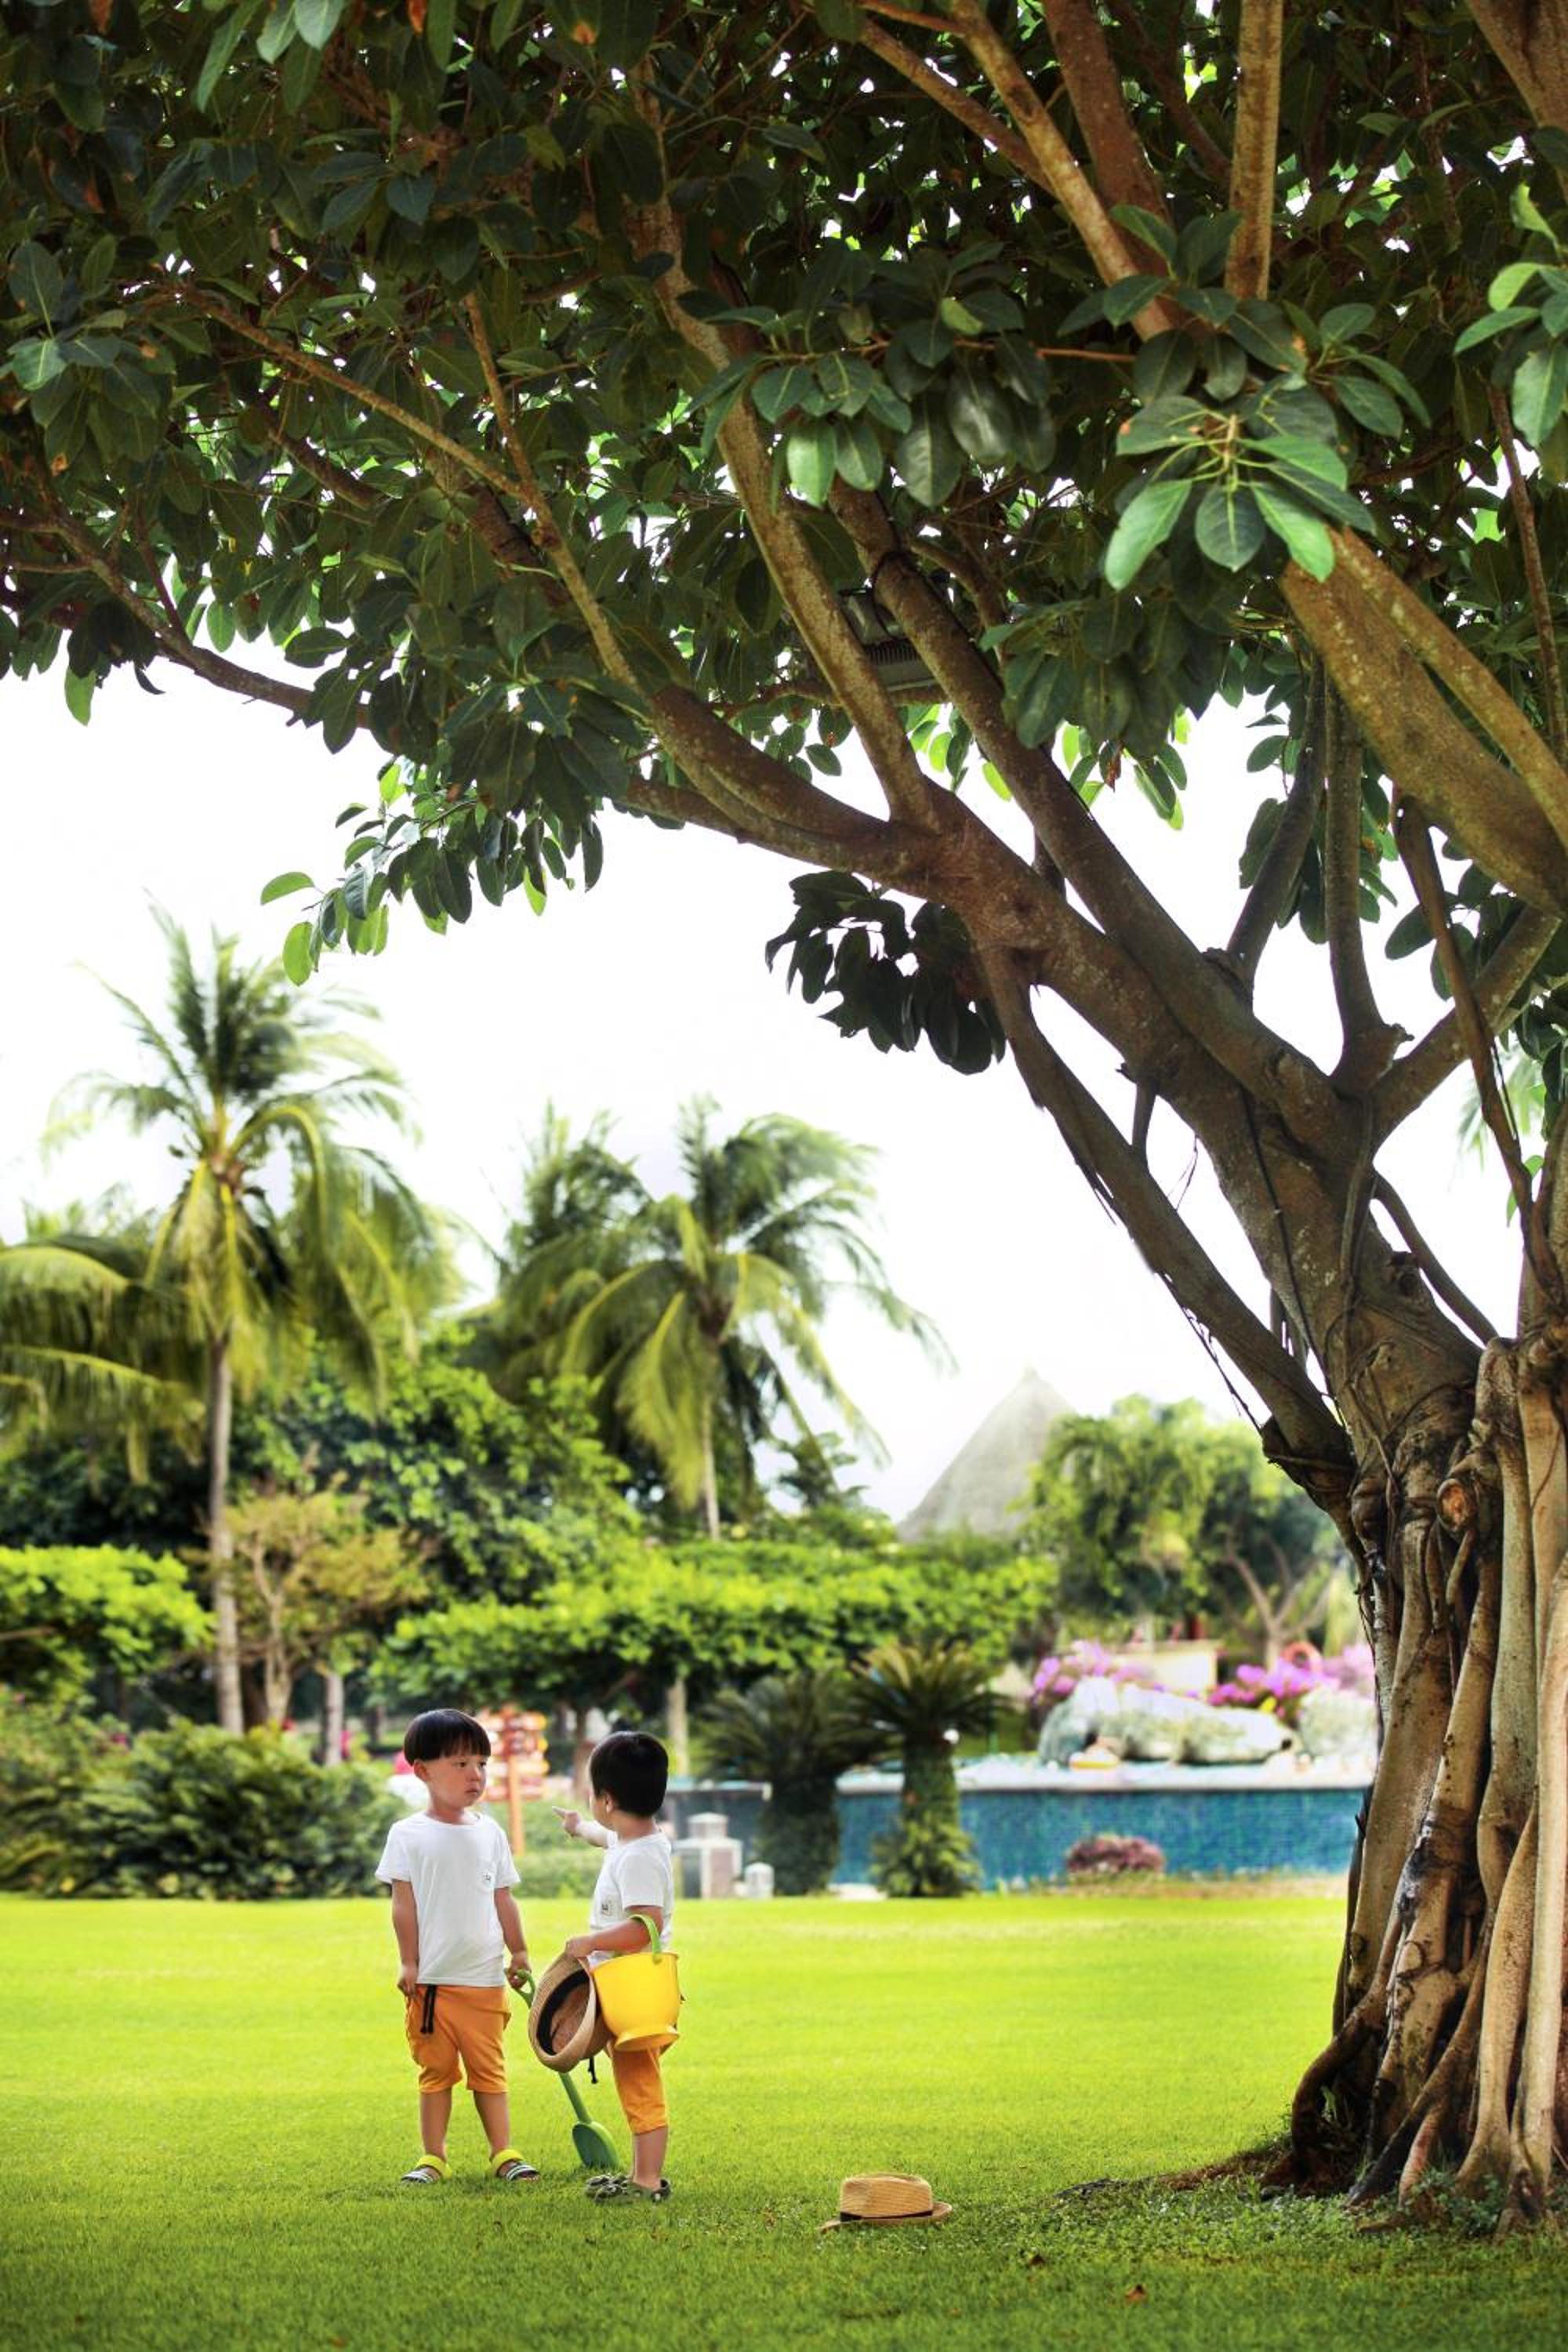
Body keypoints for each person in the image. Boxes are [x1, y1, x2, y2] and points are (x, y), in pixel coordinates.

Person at [376, 1707, 538, 2187]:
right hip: (431, 1986)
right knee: (436, 2072)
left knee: (490, 2071)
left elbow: (503, 1898)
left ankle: (504, 2153)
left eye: (482, 1764)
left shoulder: (490, 1832)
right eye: (461, 1764)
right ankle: (433, 2157)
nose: (476, 1775)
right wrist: (409, 1962)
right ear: (422, 1771)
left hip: (483, 1980)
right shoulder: (407, 1835)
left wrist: (519, 1952)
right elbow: (403, 1906)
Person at [554, 1729, 676, 2205]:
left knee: (639, 2083)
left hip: (636, 1992)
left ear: (606, 1799)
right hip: (624, 1987)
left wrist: (591, 1942)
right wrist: (576, 1827)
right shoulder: (631, 1840)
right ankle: (641, 2173)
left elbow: (645, 1927)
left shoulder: (639, 1858)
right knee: (632, 2078)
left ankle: (647, 2181)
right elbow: (603, 1836)